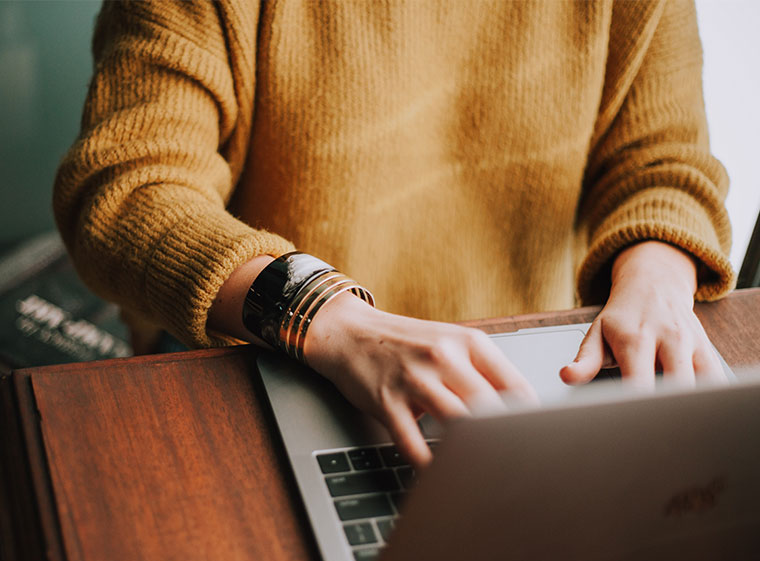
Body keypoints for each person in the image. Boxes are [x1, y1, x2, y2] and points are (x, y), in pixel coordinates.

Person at [54, 0, 734, 468]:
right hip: (263, 357)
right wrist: (323, 315)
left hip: (520, 380)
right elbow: (126, 188)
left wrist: (658, 276)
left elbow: (664, 163)